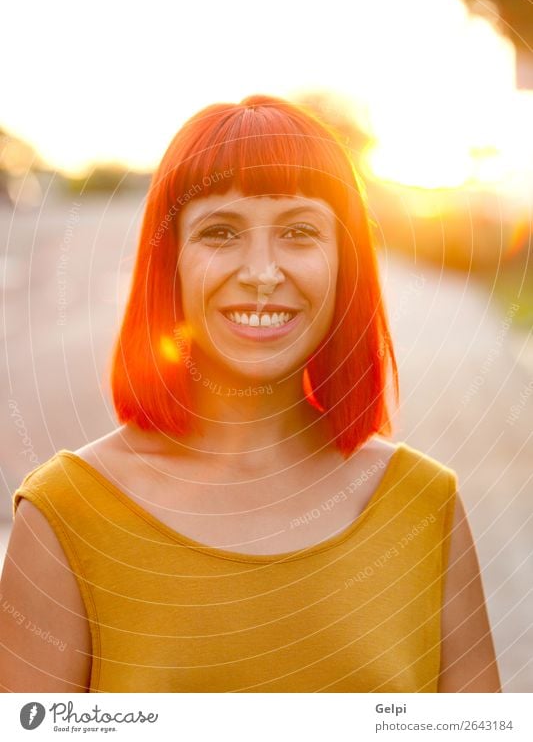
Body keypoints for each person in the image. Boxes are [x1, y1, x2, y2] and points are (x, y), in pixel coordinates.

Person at [0, 95, 501, 693]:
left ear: (347, 265)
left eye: (299, 231)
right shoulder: (65, 517)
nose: (262, 272)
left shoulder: (427, 506)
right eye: (220, 231)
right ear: (170, 265)